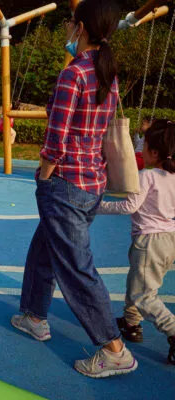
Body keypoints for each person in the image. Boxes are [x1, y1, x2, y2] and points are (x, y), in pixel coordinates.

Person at [10, 0, 138, 379]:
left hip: (65, 182)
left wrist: (44, 177)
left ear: (79, 27)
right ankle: (34, 315)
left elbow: (56, 138)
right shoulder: (107, 73)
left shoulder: (75, 73)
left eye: (70, 23)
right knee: (45, 247)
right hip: (92, 181)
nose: (67, 28)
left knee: (76, 266)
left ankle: (113, 348)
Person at [97, 119, 175, 365]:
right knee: (137, 281)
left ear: (154, 152)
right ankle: (131, 323)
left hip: (149, 242)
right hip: (168, 240)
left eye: (143, 145)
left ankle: (173, 331)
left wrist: (98, 206)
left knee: (143, 295)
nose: (140, 149)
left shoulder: (147, 176)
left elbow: (129, 206)